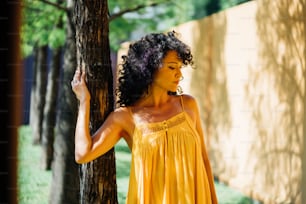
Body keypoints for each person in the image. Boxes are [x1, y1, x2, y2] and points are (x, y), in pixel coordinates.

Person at [71, 31, 218, 204]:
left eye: (180, 67)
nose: (179, 74)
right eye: (172, 67)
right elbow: (83, 154)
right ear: (149, 67)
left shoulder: (188, 105)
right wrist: (84, 101)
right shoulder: (126, 117)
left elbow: (204, 160)